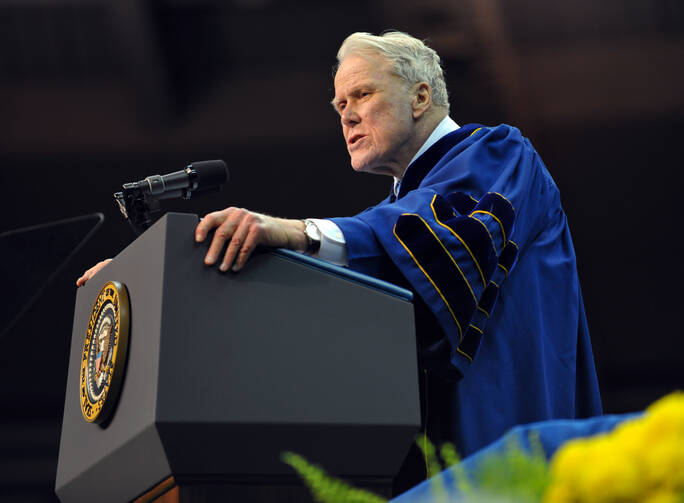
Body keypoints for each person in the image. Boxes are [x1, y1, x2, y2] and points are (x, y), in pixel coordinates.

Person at [78, 31, 602, 493]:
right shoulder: (384, 221)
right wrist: (155, 279)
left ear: (421, 96)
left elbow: (432, 239)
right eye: (339, 105)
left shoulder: (500, 156)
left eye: (362, 94)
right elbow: (342, 275)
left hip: (512, 452)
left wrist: (295, 232)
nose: (346, 114)